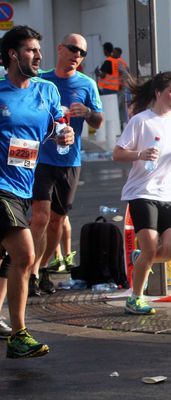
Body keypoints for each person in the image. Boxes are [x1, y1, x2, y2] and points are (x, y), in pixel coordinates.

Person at [0, 25, 74, 358]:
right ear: (13, 54)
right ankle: (19, 335)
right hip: (0, 188)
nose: (38, 56)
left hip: (22, 187)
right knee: (24, 255)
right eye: (31, 50)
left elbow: (58, 126)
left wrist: (64, 134)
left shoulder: (47, 91)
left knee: (6, 261)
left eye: (39, 50)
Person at [113, 71, 171, 315]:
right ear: (158, 93)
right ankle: (135, 298)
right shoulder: (141, 121)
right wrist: (140, 154)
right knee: (149, 247)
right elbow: (117, 153)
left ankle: (141, 260)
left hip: (168, 191)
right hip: (142, 191)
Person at [29, 33, 104, 296]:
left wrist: (88, 113)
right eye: (73, 49)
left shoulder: (87, 84)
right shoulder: (41, 80)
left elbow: (98, 122)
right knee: (40, 216)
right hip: (41, 158)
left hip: (70, 161)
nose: (77, 55)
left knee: (57, 221)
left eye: (82, 53)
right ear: (60, 48)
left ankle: (43, 268)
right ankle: (30, 272)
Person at [112, 46, 130, 129]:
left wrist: (121, 84)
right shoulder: (122, 61)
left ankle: (119, 125)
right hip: (124, 87)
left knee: (117, 106)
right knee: (122, 107)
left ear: (118, 53)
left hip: (122, 88)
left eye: (114, 52)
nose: (113, 54)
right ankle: (123, 124)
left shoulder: (119, 62)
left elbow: (123, 73)